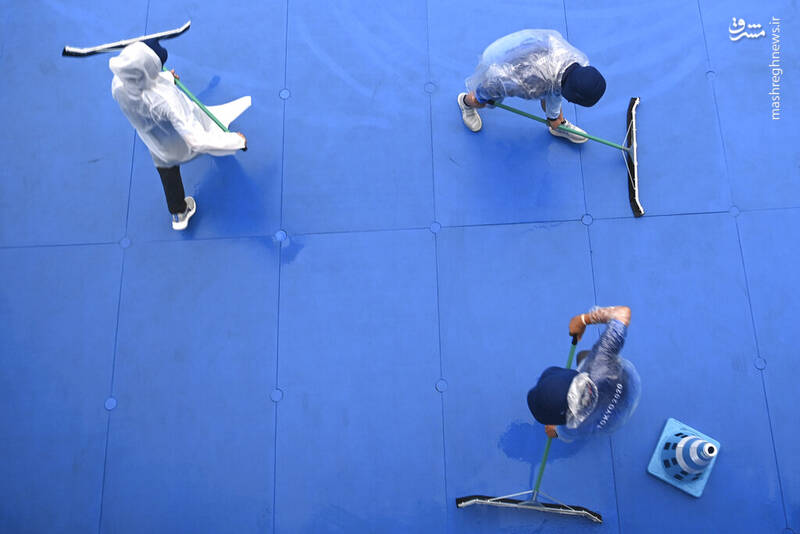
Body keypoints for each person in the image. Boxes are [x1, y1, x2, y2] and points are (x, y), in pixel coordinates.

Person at [109, 39, 247, 230]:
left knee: (168, 172)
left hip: (154, 141)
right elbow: (197, 140)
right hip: (179, 141)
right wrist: (235, 141)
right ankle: (223, 146)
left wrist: (163, 78)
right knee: (210, 132)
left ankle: (179, 213)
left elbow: (144, 91)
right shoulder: (167, 100)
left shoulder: (118, 84)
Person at [457, 29, 606, 143]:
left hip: (531, 52)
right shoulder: (529, 85)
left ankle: (556, 124)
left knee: (551, 93)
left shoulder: (576, 59)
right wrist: (482, 96)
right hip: (497, 66)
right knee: (480, 100)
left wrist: (554, 118)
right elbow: (497, 83)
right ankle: (465, 103)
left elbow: (554, 91)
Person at [527, 305, 641, 440]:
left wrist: (555, 431)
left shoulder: (571, 429)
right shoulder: (599, 362)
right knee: (583, 355)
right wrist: (584, 319)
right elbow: (623, 313)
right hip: (631, 387)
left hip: (612, 424)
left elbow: (563, 435)